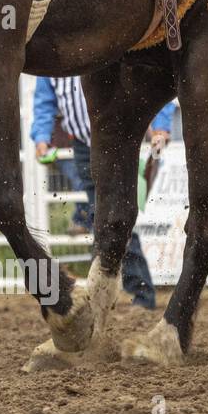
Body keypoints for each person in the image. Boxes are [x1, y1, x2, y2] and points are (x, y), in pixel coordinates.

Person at [30, 76, 175, 309]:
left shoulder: (106, 43)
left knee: (112, 218)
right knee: (101, 218)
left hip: (118, 140)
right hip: (83, 144)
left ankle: (123, 292)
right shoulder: (53, 60)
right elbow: (45, 101)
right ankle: (119, 291)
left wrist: (161, 125)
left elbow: (155, 83)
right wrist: (41, 137)